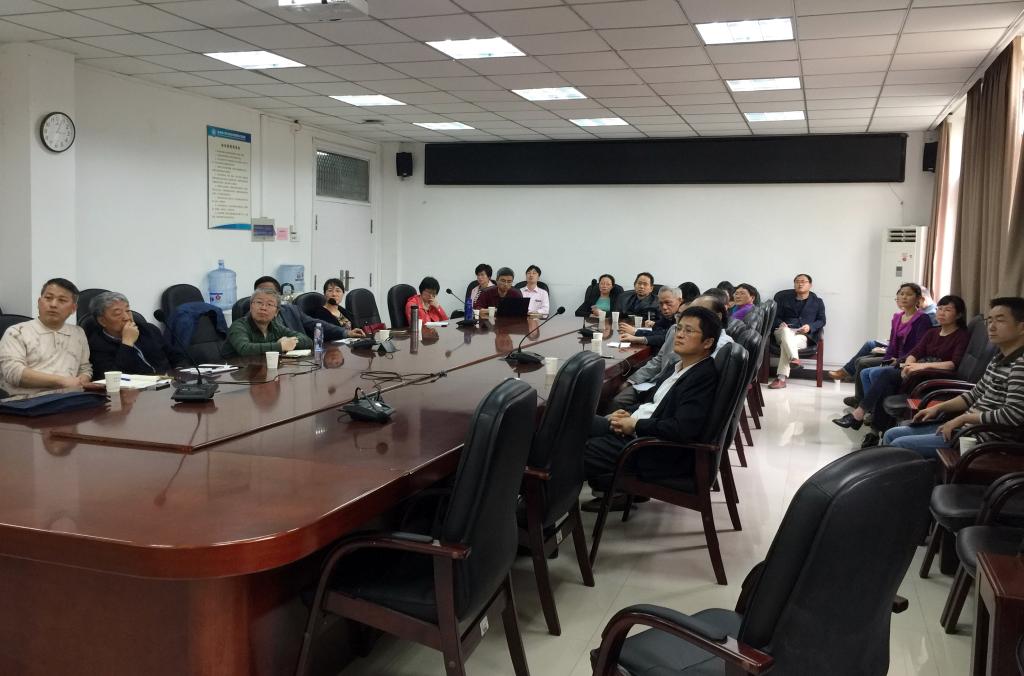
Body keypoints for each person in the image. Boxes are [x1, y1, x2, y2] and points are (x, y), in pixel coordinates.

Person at [584, 306, 721, 508]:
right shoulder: (679, 366)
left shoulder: (702, 377)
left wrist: (635, 425)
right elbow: (654, 403)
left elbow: (682, 428)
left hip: (652, 449)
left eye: (689, 331)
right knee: (577, 423)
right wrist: (628, 413)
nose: (679, 335)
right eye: (679, 328)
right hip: (641, 432)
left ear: (708, 342)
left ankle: (548, 511)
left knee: (576, 448)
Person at [881, 297, 1024, 460]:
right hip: (968, 429)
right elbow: (974, 394)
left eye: (1000, 320)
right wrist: (938, 408)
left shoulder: (1020, 364)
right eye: (990, 320)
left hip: (984, 440)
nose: (991, 326)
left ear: (1021, 327)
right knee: (892, 434)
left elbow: (1014, 414)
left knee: (899, 445)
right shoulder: (998, 359)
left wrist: (963, 418)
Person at [833, 295, 970, 441]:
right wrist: (909, 364)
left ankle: (861, 417)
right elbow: (915, 352)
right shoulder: (933, 332)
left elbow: (952, 364)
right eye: (939, 309)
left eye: (947, 310)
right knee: (887, 386)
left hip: (934, 378)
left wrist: (919, 366)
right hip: (917, 373)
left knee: (885, 375)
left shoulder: (961, 335)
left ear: (959, 314)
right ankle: (874, 432)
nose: (941, 313)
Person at [607, 294, 733, 412]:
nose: (680, 333)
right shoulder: (676, 330)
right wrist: (632, 380)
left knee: (618, 409)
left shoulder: (722, 346)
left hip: (674, 397)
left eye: (699, 312)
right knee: (616, 400)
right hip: (657, 384)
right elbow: (659, 360)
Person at [837, 283, 933, 406]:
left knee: (867, 367)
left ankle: (870, 406)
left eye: (909, 294)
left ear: (918, 298)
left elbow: (919, 347)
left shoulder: (923, 319)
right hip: (895, 358)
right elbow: (892, 343)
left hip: (910, 361)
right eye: (901, 294)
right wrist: (887, 360)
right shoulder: (897, 317)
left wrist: (899, 361)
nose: (904, 297)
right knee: (863, 368)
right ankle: (867, 405)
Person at [0, 278, 92, 397]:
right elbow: (14, 373)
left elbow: (85, 368)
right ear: (39, 302)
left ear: (73, 308)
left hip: (69, 399)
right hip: (25, 402)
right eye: (48, 298)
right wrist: (62, 381)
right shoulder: (17, 332)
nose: (53, 304)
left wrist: (83, 380)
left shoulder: (78, 333)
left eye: (62, 300)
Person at [87, 291, 187, 376]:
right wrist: (127, 343)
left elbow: (176, 356)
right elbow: (114, 378)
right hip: (138, 391)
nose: (127, 317)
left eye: (128, 310)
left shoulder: (149, 330)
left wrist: (180, 371)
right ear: (102, 321)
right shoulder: (97, 345)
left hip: (169, 384)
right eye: (117, 313)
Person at [253, 277, 363, 340]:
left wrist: (346, 333)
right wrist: (279, 346)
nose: (265, 297)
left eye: (269, 293)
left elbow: (316, 324)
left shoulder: (292, 310)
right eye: (260, 293)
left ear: (278, 295)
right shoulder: (250, 318)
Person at [768, 273, 827, 389]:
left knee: (787, 344)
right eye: (797, 282)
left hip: (802, 335)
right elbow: (774, 317)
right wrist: (780, 323)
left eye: (803, 281)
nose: (800, 284)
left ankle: (781, 379)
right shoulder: (784, 300)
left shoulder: (818, 302)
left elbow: (822, 320)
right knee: (786, 332)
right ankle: (794, 359)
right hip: (782, 332)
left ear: (810, 285)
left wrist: (810, 327)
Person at [224, 287, 313, 357]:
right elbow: (245, 349)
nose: (263, 308)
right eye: (259, 302)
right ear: (251, 307)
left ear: (276, 312)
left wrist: (290, 342)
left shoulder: (275, 327)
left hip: (261, 370)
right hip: (235, 372)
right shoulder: (239, 326)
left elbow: (307, 340)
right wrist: (280, 346)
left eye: (269, 304)